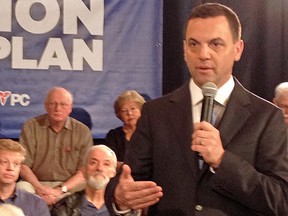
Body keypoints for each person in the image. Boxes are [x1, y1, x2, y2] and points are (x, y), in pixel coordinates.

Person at [104, 3, 288, 216]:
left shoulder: (266, 117)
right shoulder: (155, 113)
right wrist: (119, 196)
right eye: (194, 44)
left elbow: (281, 199)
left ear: (238, 49)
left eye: (216, 44)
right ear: (184, 49)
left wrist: (222, 160)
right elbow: (130, 179)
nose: (203, 54)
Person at [17, 87, 94, 206]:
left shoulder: (82, 131)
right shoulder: (31, 127)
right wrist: (40, 188)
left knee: (89, 185)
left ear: (70, 108)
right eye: (53, 104)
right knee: (21, 187)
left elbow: (83, 171)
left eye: (63, 104)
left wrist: (60, 190)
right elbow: (23, 165)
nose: (58, 108)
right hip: (36, 184)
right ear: (46, 106)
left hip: (69, 187)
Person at [50, 145, 137, 216]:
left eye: (106, 164)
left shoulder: (123, 208)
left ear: (113, 173)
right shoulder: (64, 206)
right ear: (84, 170)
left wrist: (124, 210)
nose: (99, 168)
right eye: (93, 162)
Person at [0, 139, 50, 216]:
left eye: (16, 164)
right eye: (4, 162)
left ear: (20, 168)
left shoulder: (36, 204)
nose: (10, 168)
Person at [105, 90, 145, 170]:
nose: (129, 113)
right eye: (124, 111)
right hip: (120, 175)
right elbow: (110, 162)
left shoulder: (149, 133)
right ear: (119, 115)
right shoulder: (114, 135)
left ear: (141, 110)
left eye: (133, 108)